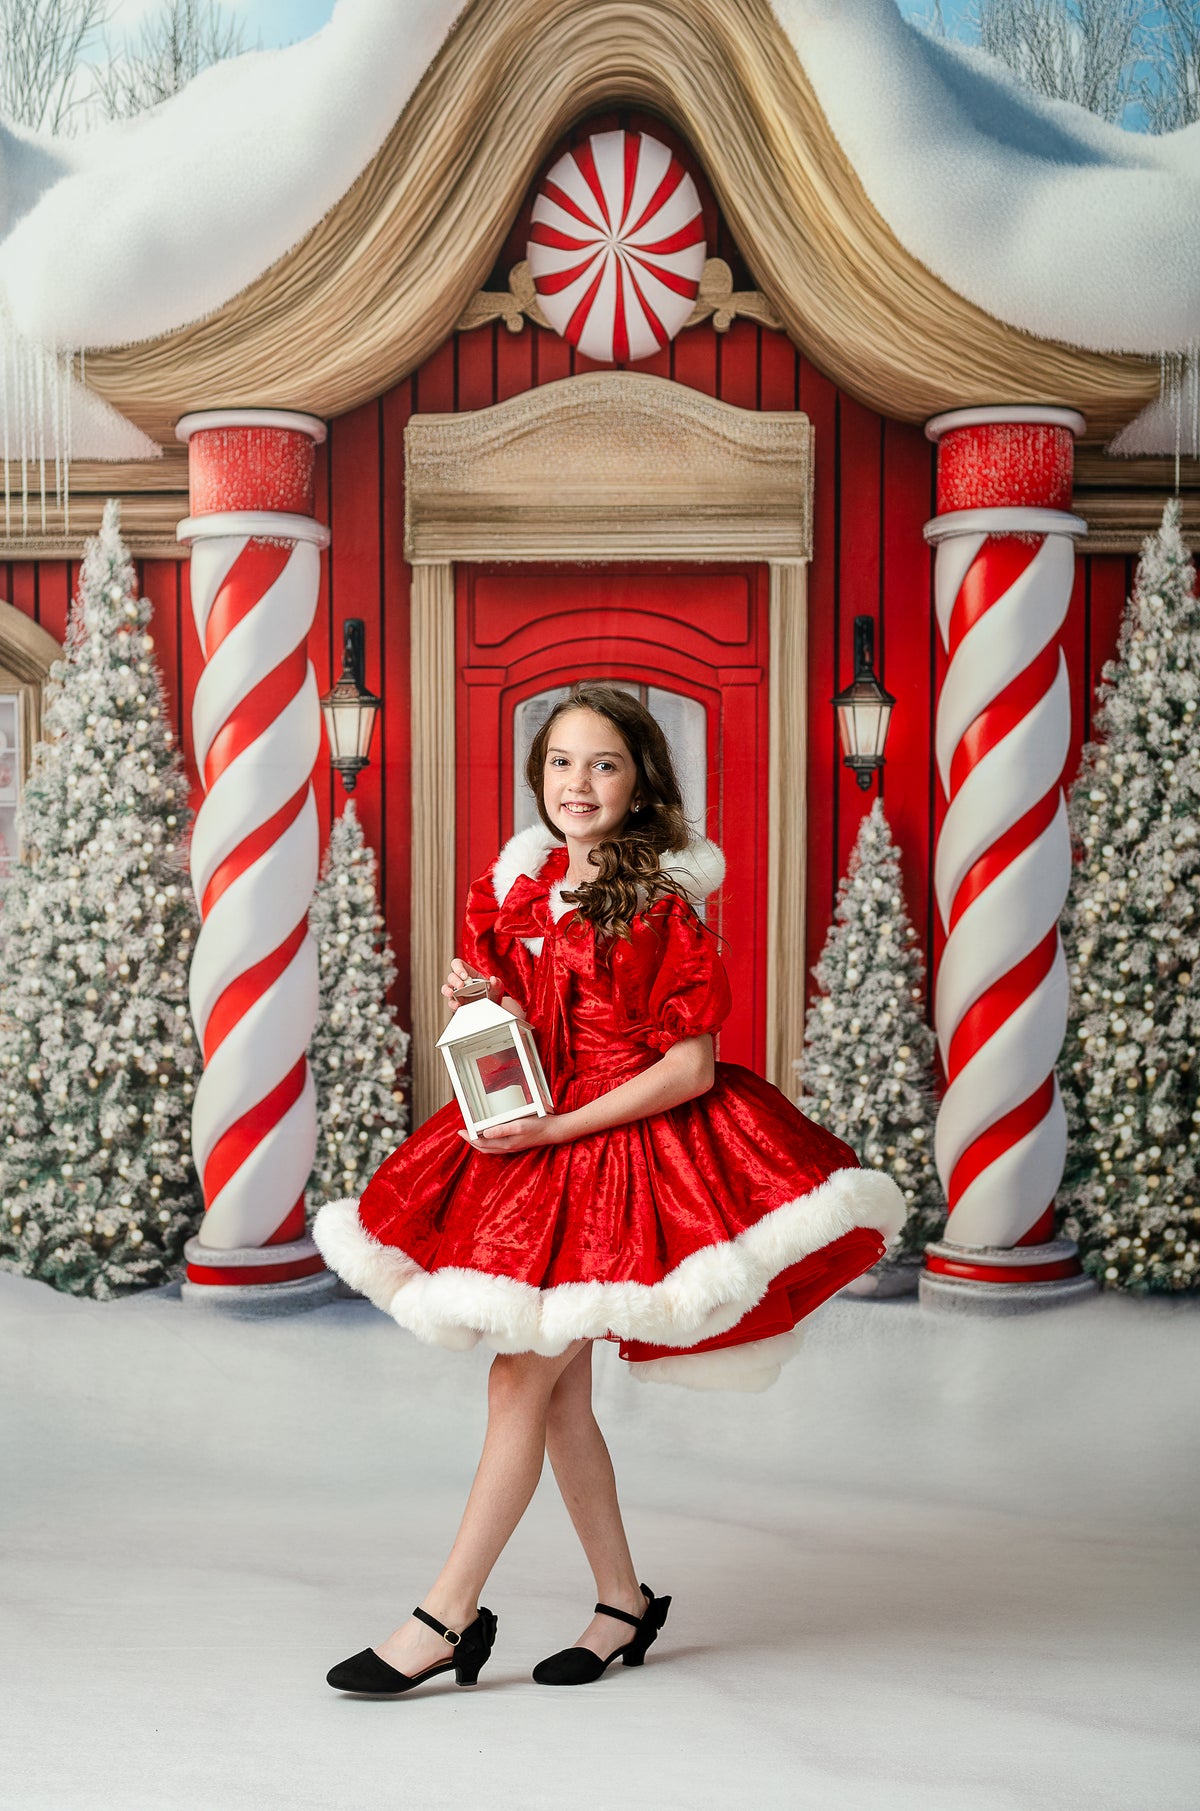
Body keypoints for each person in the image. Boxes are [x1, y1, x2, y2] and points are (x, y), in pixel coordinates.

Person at [314, 683, 905, 1696]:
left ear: (640, 784)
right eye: (559, 763)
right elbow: (531, 1012)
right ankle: (623, 1600)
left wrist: (560, 1125)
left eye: (604, 764)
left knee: (520, 1376)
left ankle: (446, 1614)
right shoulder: (520, 885)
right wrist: (482, 994)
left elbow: (689, 1067)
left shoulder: (660, 900)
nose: (577, 783)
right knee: (557, 1398)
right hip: (537, 1138)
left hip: (622, 1144)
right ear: (536, 776)